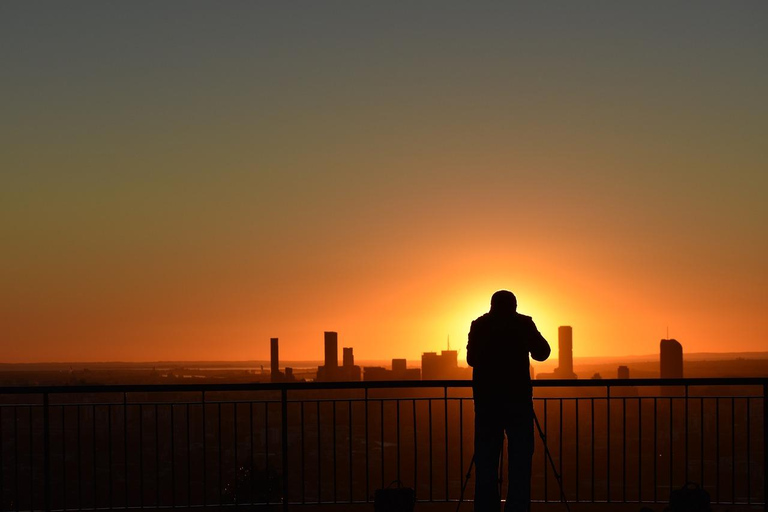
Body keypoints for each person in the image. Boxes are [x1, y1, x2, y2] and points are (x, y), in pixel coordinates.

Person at [467, 290, 551, 512]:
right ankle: (517, 507)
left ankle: (486, 509)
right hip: (518, 403)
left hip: (487, 404)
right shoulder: (523, 324)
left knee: (485, 462)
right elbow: (542, 353)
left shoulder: (479, 325)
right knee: (521, 461)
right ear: (514, 306)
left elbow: (471, 359)